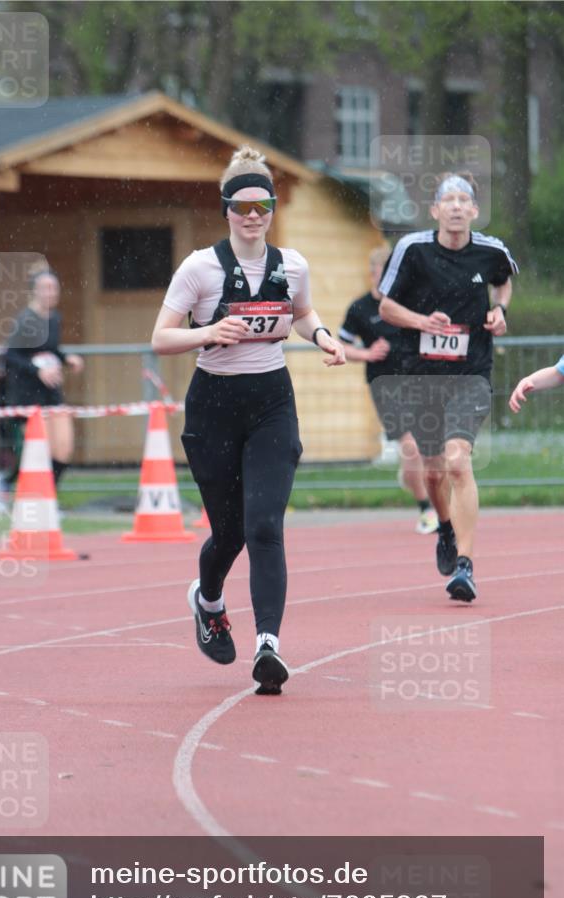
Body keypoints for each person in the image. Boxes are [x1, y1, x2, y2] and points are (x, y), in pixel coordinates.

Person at [151, 145, 345, 694]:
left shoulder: (293, 265)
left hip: (270, 403)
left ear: (274, 209)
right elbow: (160, 337)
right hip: (212, 406)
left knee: (264, 526)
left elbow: (302, 313)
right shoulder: (200, 268)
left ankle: (268, 645)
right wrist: (208, 332)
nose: (254, 216)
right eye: (243, 206)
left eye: (264, 206)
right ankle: (207, 598)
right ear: (226, 210)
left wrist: (325, 337)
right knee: (229, 532)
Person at [378, 172, 518, 602]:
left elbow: (504, 282)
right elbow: (385, 305)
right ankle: (444, 526)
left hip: (471, 374)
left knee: (459, 461)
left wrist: (498, 309)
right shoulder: (412, 250)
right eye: (448, 200)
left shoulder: (491, 251)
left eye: (464, 200)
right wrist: (422, 321)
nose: (456, 206)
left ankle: (465, 565)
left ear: (474, 210)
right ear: (435, 210)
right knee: (435, 469)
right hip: (421, 376)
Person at [338, 247, 438, 534]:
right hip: (385, 387)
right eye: (386, 274)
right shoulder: (360, 309)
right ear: (373, 273)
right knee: (411, 446)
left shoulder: (407, 304)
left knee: (429, 449)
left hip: (418, 382)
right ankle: (425, 509)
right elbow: (339, 344)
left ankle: (414, 478)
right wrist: (367, 353)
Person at [0, 270, 84, 514]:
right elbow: (10, 354)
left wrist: (66, 358)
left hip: (51, 391)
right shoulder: (25, 320)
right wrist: (36, 370)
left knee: (63, 447)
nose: (51, 293)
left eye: (54, 288)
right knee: (36, 450)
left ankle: (47, 499)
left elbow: (50, 348)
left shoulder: (54, 318)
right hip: (27, 392)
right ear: (34, 291)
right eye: (45, 288)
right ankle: (5, 482)